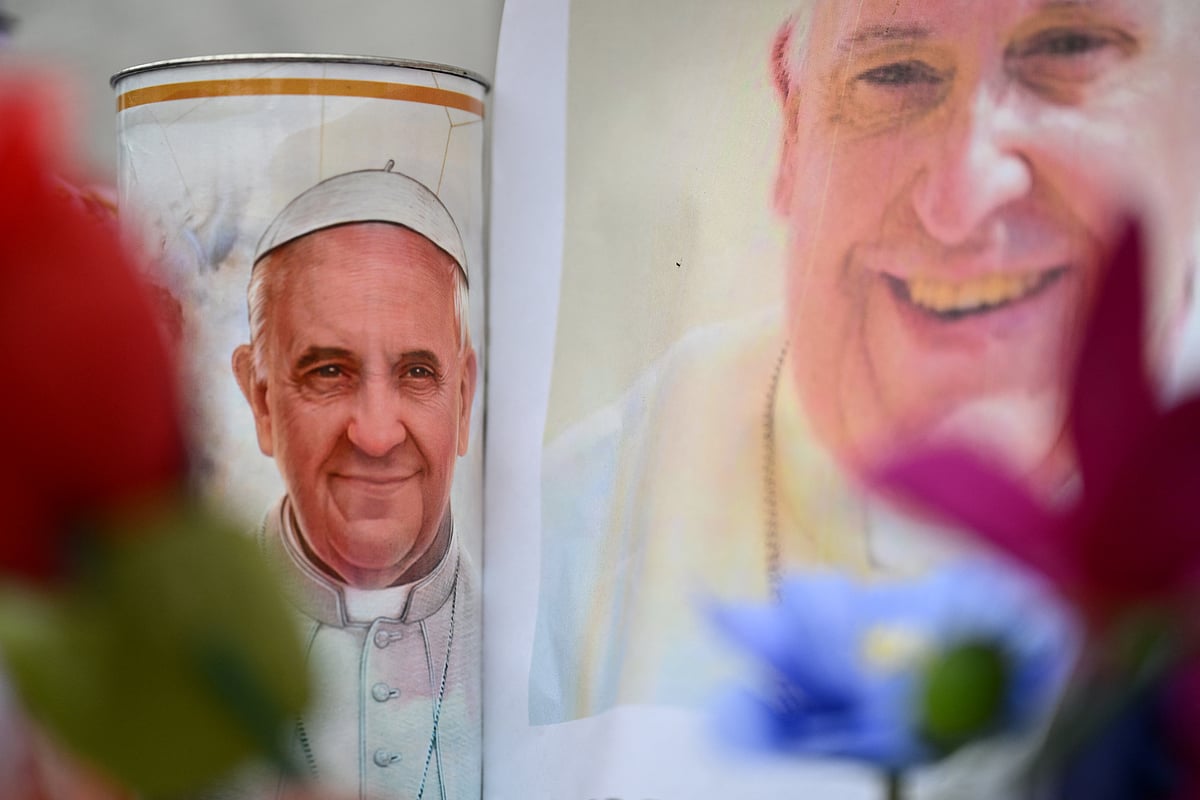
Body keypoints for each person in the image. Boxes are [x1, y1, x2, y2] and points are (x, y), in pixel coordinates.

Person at [530, 0, 1200, 724]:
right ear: (794, 128)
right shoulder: (569, 547)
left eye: (1070, 48)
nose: (962, 198)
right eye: (895, 74)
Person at [230, 166, 480, 799]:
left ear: (465, 397)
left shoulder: (540, 630)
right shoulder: (179, 646)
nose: (375, 434)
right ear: (261, 401)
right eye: (329, 371)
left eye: (418, 371)